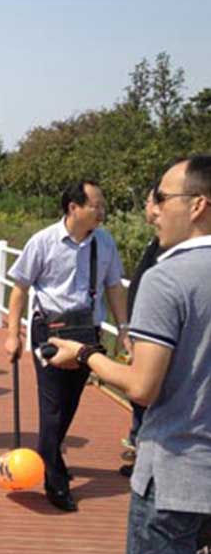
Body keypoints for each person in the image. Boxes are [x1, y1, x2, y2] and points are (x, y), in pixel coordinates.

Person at [48, 156, 211, 554]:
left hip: (176, 475)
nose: (152, 211)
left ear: (197, 205)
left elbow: (142, 386)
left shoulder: (168, 277)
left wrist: (86, 355)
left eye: (161, 198)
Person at [4, 179, 129, 512]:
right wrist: (13, 333)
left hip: (86, 331)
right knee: (53, 406)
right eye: (96, 206)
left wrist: (123, 329)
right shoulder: (43, 242)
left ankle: (49, 454)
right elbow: (20, 288)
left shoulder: (104, 242)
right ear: (74, 208)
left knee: (70, 402)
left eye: (103, 206)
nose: (102, 212)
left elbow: (114, 287)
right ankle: (55, 481)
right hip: (50, 330)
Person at [119, 187, 163, 478]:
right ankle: (138, 446)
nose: (147, 207)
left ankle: (145, 457)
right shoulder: (156, 241)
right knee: (140, 399)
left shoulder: (171, 246)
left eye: (150, 201)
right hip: (141, 330)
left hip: (154, 335)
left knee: (145, 392)